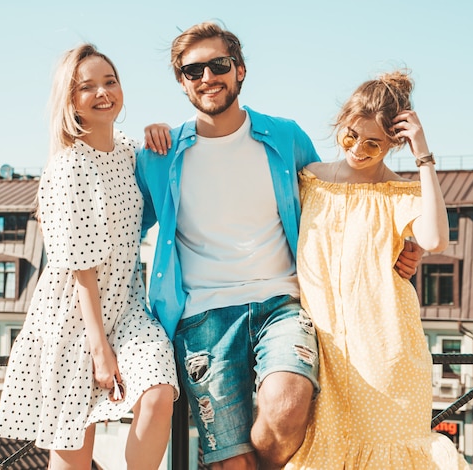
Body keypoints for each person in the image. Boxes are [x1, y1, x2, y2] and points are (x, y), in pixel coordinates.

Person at [137, 22, 422, 469]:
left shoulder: (284, 136)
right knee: (231, 463)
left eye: (219, 65)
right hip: (202, 317)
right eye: (193, 70)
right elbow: (120, 227)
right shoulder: (160, 152)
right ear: (182, 81)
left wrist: (404, 241)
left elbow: (342, 195)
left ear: (240, 70)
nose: (207, 77)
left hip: (281, 304)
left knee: (287, 408)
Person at [0, 44, 179, 470]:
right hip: (74, 316)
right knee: (73, 455)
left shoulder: (129, 150)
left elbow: (153, 201)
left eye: (110, 81)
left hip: (128, 305)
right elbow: (82, 272)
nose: (103, 93)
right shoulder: (68, 167)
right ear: (70, 100)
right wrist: (100, 352)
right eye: (87, 87)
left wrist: (159, 131)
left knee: (158, 393)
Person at [284, 70, 470, 469]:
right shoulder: (310, 180)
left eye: (374, 143)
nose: (358, 149)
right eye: (350, 135)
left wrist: (423, 152)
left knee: (387, 452)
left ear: (393, 143)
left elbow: (436, 239)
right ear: (341, 123)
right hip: (324, 346)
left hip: (386, 349)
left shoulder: (398, 192)